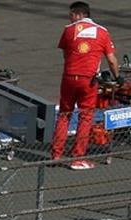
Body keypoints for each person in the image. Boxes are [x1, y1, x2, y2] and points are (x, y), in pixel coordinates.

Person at [51, 2, 120, 170]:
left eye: (71, 15)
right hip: (89, 80)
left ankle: (55, 156)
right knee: (86, 116)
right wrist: (118, 78)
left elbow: (66, 54)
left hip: (69, 77)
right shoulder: (102, 32)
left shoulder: (69, 30)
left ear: (78, 14)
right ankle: (77, 158)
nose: (70, 18)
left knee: (64, 115)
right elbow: (111, 60)